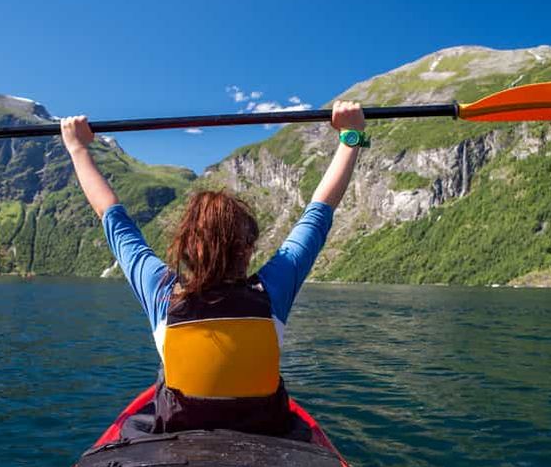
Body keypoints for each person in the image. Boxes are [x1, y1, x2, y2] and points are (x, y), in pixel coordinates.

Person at [60, 101, 367, 436]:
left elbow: (112, 217)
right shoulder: (274, 290)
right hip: (267, 434)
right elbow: (319, 212)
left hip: (178, 437)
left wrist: (77, 148)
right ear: (248, 248)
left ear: (185, 248)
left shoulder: (162, 294)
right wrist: (350, 137)